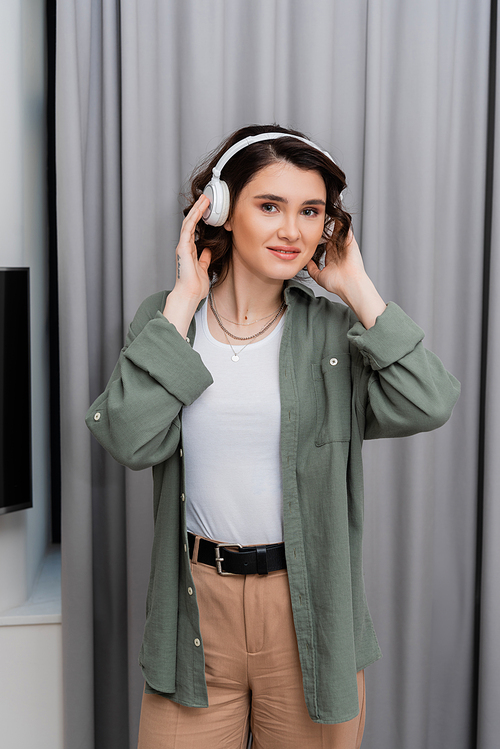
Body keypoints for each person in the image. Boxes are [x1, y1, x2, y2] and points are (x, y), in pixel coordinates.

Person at [86, 124, 460, 749]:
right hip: (195, 616)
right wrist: (182, 302)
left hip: (308, 612)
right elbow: (128, 439)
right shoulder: (165, 319)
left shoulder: (335, 334)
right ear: (223, 212)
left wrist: (356, 288)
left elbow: (430, 401)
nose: (293, 230)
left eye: (310, 211)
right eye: (270, 206)